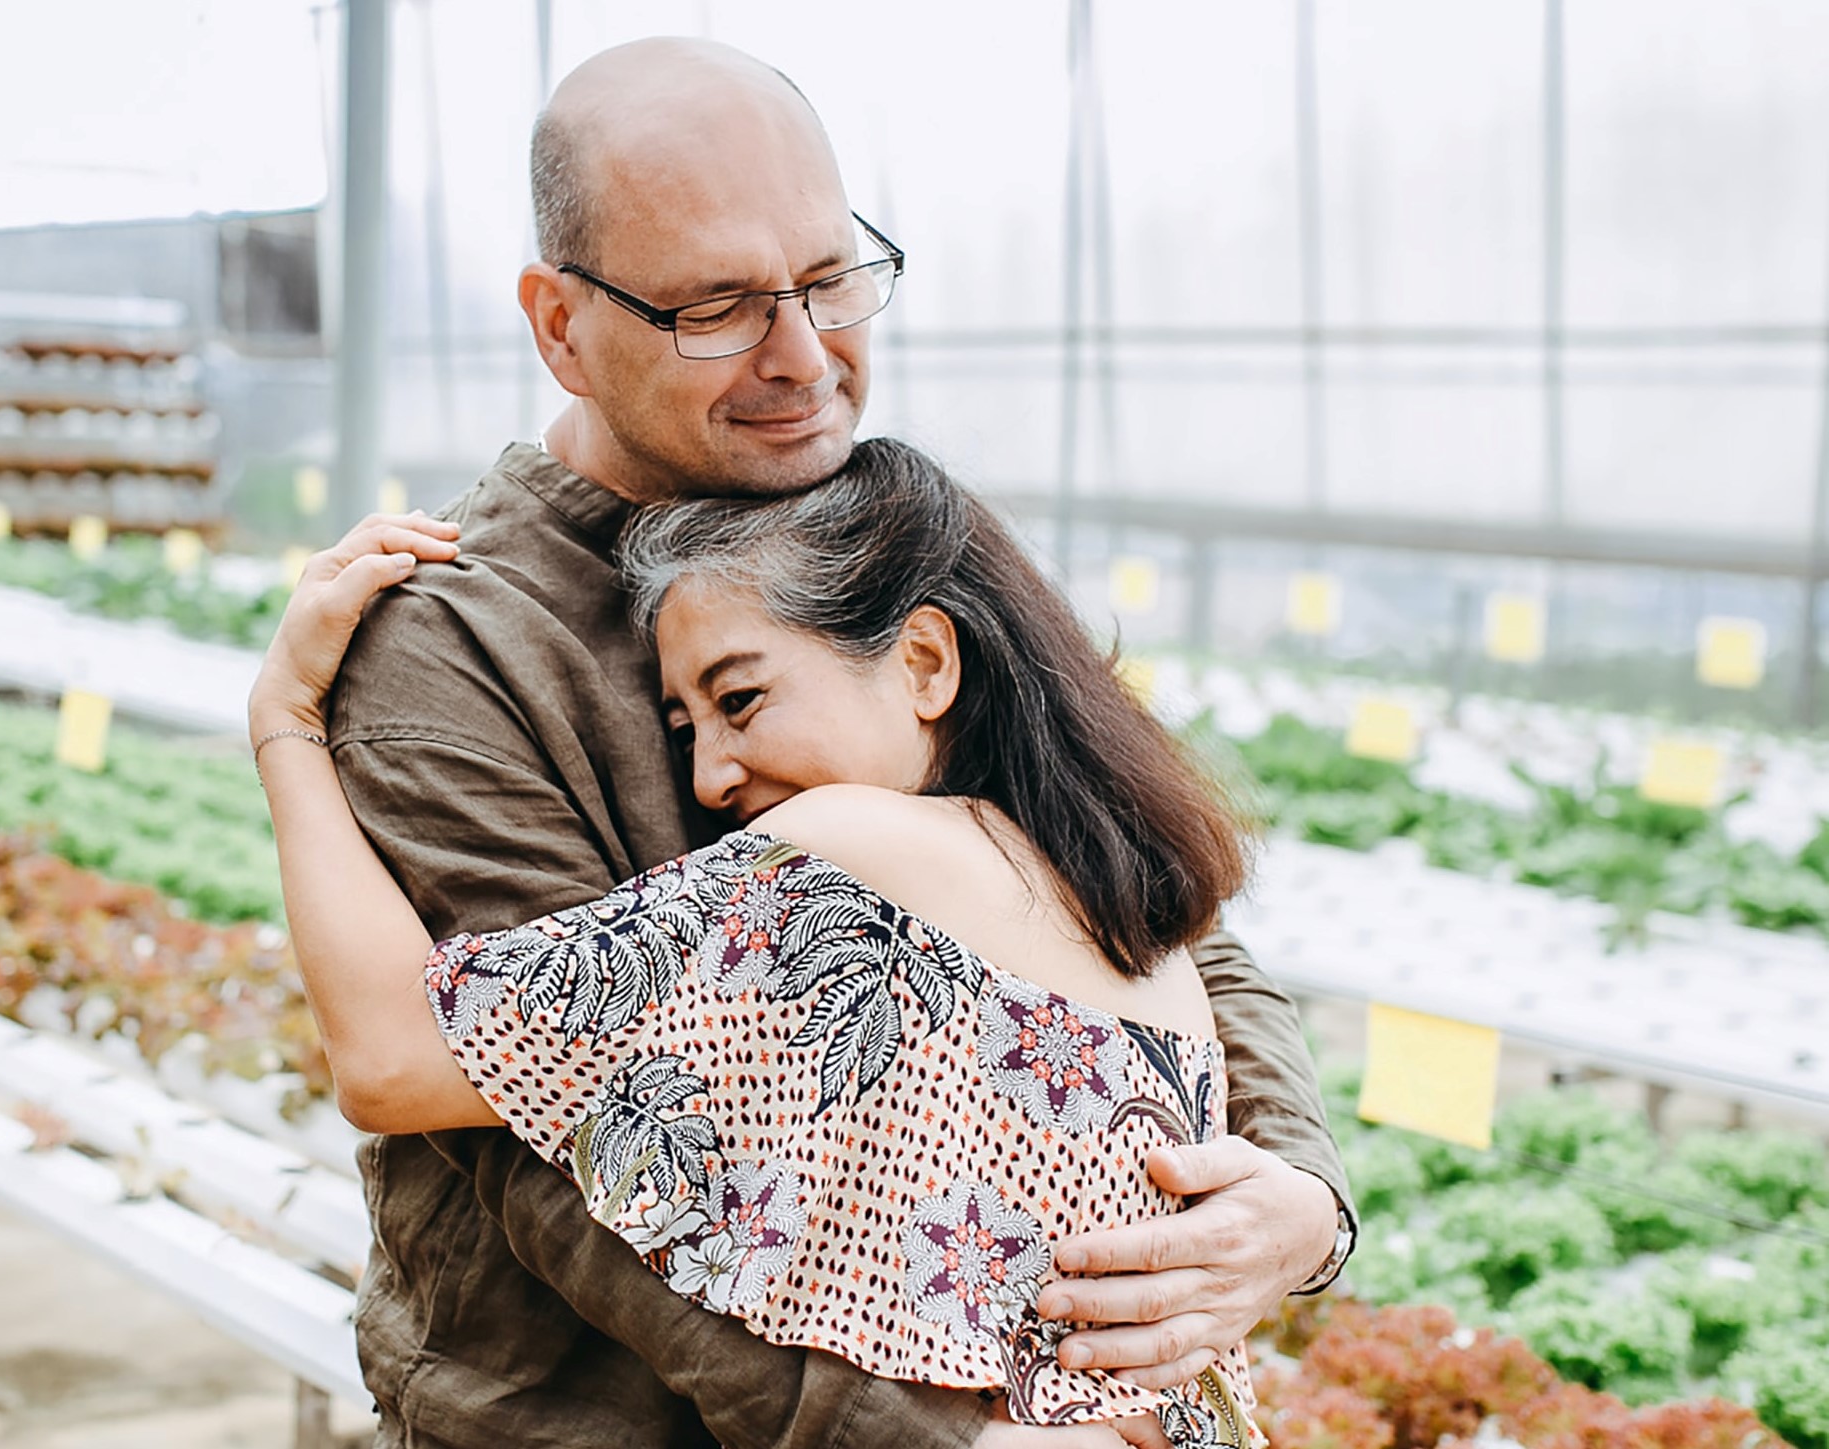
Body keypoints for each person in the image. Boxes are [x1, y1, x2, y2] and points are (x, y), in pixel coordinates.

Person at [303, 35, 1353, 1449]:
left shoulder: (856, 519)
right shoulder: (452, 638)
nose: (803, 358)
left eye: (823, 280)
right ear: (558, 324)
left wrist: (1291, 1189)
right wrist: (935, 1439)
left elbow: (1123, 874)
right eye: (718, 307)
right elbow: (549, 1140)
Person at [249, 439, 1280, 1446]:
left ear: (924, 662)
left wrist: (286, 721)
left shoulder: (849, 854)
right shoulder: (1150, 941)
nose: (709, 780)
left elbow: (393, 1062)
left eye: (740, 700)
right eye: (686, 727)